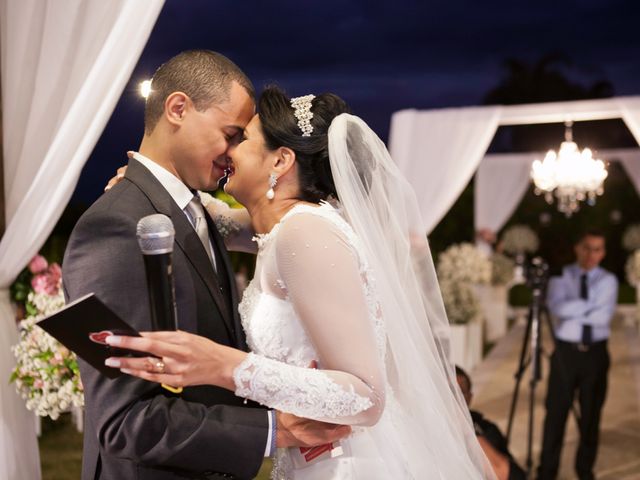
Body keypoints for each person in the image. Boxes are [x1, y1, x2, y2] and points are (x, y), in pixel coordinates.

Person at [105, 86, 495, 479]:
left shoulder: (305, 232)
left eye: (243, 140)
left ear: (280, 160)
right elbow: (218, 223)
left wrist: (223, 366)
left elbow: (365, 398)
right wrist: (151, 186)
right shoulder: (287, 228)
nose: (230, 152)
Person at [62, 51, 348, 480]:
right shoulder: (114, 225)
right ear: (178, 108)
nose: (235, 153)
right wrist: (273, 430)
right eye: (231, 134)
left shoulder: (197, 213)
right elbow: (124, 421)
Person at [537, 229, 618, 480]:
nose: (591, 254)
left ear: (603, 253)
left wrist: (577, 308)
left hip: (595, 354)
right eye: (587, 247)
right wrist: (592, 304)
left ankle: (585, 470)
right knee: (556, 414)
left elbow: (603, 316)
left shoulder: (608, 281)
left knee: (591, 416)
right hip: (565, 354)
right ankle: (547, 472)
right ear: (577, 248)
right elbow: (557, 307)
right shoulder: (562, 277)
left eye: (597, 249)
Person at [456, 366, 526, 480]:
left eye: (461, 392)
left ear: (470, 397)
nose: (455, 398)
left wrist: (469, 430)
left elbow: (514, 476)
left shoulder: (487, 430)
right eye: (450, 390)